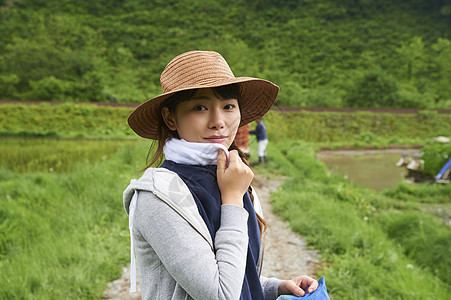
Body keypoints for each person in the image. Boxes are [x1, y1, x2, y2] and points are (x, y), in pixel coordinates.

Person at [123, 51, 318, 300]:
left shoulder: (234, 180)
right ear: (170, 117)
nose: (218, 121)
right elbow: (220, 294)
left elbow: (237, 275)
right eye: (200, 107)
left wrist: (275, 288)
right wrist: (233, 199)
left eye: (228, 106)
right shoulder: (159, 196)